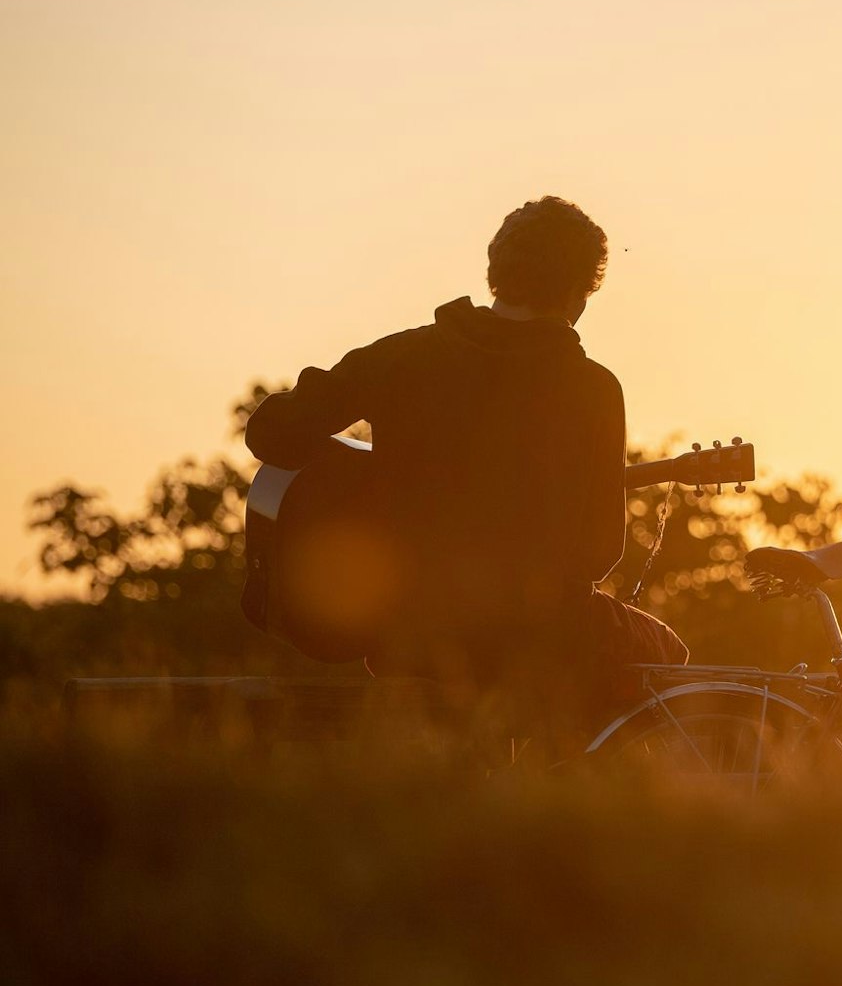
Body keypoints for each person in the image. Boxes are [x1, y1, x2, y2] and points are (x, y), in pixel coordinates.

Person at [245, 196, 687, 746]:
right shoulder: (590, 388)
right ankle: (585, 795)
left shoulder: (402, 357)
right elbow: (600, 550)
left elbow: (270, 434)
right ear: (580, 291)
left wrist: (362, 478)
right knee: (670, 660)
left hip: (402, 629)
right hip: (530, 634)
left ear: (496, 272)